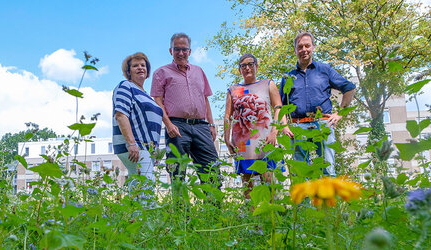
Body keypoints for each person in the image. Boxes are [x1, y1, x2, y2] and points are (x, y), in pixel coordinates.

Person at [279, 32, 356, 177]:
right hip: (298, 126)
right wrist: (284, 126)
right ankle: (304, 200)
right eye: (300, 47)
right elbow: (280, 105)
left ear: (313, 47)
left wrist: (340, 113)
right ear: (295, 50)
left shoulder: (325, 70)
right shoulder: (288, 77)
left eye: (307, 45)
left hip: (323, 124)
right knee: (300, 173)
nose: (304, 50)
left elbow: (349, 88)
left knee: (327, 168)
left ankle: (327, 200)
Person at [151, 33, 220, 186]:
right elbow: (157, 101)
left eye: (184, 49)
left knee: (211, 169)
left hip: (201, 126)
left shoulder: (199, 71)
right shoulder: (161, 73)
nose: (180, 53)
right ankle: (181, 209)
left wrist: (211, 124)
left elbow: (205, 98)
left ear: (189, 51)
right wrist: (168, 124)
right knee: (177, 171)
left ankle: (214, 208)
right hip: (177, 126)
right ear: (171, 51)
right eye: (177, 49)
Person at [224, 53, 293, 198]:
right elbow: (227, 116)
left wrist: (275, 131)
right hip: (242, 141)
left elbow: (278, 108)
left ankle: (274, 216)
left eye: (250, 64)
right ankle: (251, 214)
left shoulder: (268, 84)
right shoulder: (233, 90)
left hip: (265, 139)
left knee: (268, 178)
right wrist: (226, 138)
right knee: (246, 180)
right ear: (239, 70)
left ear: (257, 66)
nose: (247, 68)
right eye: (243, 66)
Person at [113, 52, 163, 199]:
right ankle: (146, 218)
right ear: (128, 71)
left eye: (143, 65)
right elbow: (121, 115)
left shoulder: (146, 94)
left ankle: (135, 218)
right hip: (136, 146)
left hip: (146, 147)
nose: (140, 68)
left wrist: (154, 151)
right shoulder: (126, 86)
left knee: (138, 185)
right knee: (146, 186)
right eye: (135, 66)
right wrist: (132, 143)